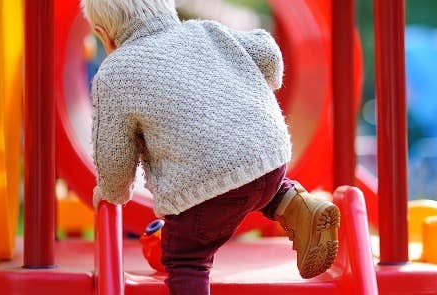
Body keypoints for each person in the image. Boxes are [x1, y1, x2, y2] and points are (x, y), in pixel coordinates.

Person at [80, 1, 340, 294]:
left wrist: (111, 193)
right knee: (255, 184)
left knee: (185, 258)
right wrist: (257, 83)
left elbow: (114, 157)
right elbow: (267, 53)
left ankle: (194, 265)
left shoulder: (115, 74)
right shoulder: (206, 30)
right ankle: (299, 204)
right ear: (169, 9)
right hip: (268, 157)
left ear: (103, 35)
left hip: (205, 190)